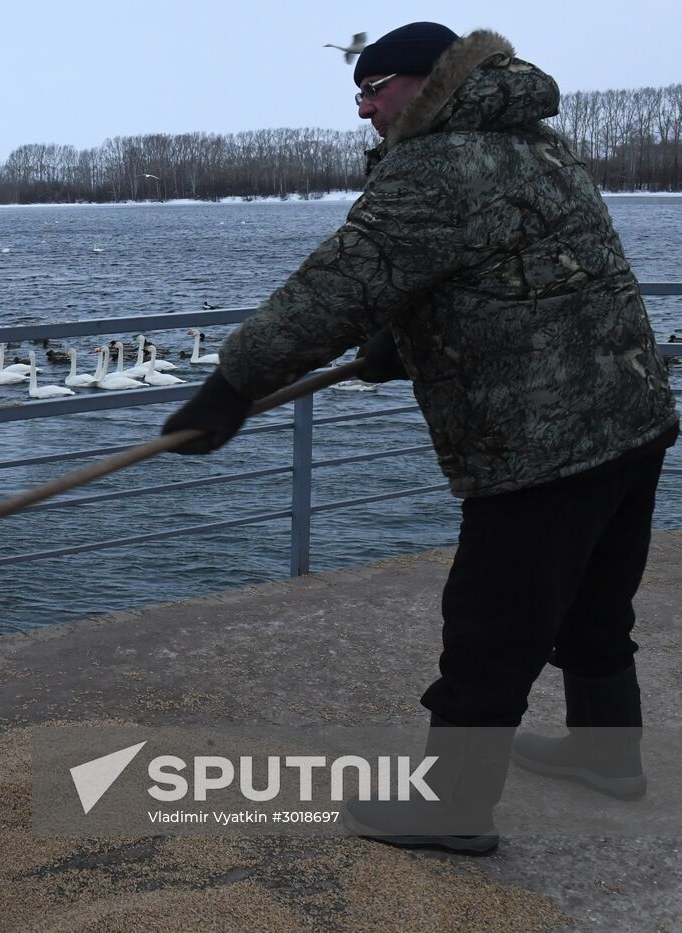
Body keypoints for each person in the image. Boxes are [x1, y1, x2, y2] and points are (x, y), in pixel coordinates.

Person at [162, 22, 677, 853]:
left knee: (489, 628)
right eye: (357, 93)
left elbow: (335, 288)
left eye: (374, 89)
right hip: (632, 415)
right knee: (593, 602)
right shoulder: (532, 141)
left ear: (430, 80)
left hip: (540, 442)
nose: (364, 108)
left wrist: (231, 386)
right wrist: (401, 344)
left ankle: (453, 806)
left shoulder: (438, 163)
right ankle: (605, 752)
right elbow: (519, 270)